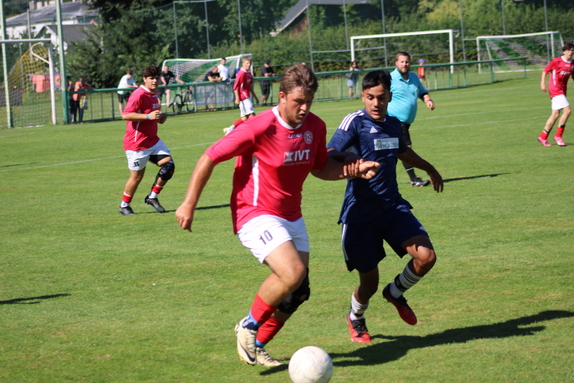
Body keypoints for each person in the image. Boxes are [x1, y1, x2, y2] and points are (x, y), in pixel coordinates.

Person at [175, 64, 379, 366]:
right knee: (292, 273)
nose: (304, 108)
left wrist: (355, 170)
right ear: (282, 97)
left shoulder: (315, 126)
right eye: (298, 101)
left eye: (309, 101)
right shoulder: (258, 127)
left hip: (290, 214)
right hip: (254, 212)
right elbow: (210, 156)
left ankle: (255, 343)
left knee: (299, 291)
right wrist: (188, 203)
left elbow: (321, 167)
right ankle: (247, 326)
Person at [327, 69, 444, 343]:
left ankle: (395, 292)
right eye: (370, 98)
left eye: (381, 97)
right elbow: (329, 154)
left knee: (426, 256)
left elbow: (402, 151)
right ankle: (356, 316)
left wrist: (430, 168)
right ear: (363, 96)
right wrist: (352, 163)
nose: (376, 103)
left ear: (389, 96)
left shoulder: (392, 123)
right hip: (360, 214)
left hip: (392, 207)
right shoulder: (354, 122)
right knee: (369, 282)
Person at [119, 64, 173, 216]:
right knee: (136, 177)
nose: (154, 81)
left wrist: (160, 118)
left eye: (156, 78)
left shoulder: (154, 94)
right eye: (151, 78)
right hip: (137, 144)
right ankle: (124, 205)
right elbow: (126, 115)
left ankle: (152, 197)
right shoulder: (138, 95)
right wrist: (148, 116)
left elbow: (154, 117)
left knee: (169, 166)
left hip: (153, 141)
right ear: (144, 79)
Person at [387, 52, 435, 187]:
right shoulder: (390, 78)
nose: (404, 64)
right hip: (395, 120)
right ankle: (414, 179)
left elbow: (422, 92)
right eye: (402, 62)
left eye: (407, 62)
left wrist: (428, 100)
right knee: (406, 148)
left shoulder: (414, 77)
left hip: (406, 123)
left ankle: (383, 177)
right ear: (396, 63)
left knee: (393, 150)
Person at [537, 42, 574, 147]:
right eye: (569, 50)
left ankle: (543, 136)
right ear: (564, 51)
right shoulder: (557, 61)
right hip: (555, 89)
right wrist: (542, 83)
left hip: (563, 91)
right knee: (568, 111)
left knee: (556, 114)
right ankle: (558, 136)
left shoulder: (573, 64)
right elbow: (545, 71)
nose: (571, 52)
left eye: (572, 50)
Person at [223, 56, 260, 135]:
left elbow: (249, 87)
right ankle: (254, 132)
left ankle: (230, 129)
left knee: (245, 118)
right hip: (243, 97)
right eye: (247, 63)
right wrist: (237, 98)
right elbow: (236, 87)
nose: (249, 65)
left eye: (250, 63)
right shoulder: (241, 73)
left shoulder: (249, 73)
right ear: (243, 64)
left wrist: (255, 97)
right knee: (252, 115)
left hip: (247, 96)